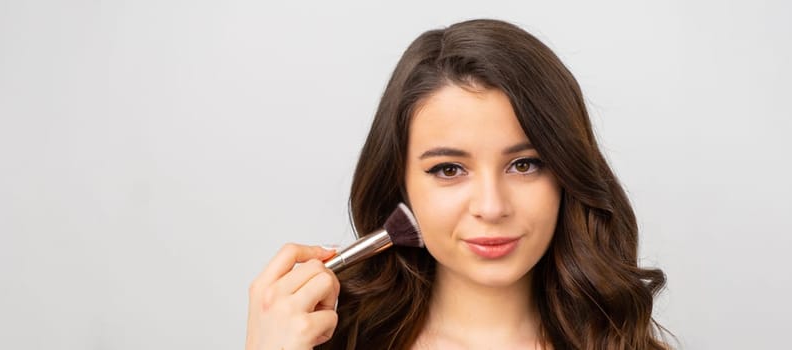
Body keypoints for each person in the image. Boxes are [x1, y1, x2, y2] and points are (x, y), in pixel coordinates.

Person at [245, 19, 670, 350]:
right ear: (400, 186)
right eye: (449, 169)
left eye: (524, 164)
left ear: (566, 173)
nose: (491, 206)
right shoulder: (331, 343)